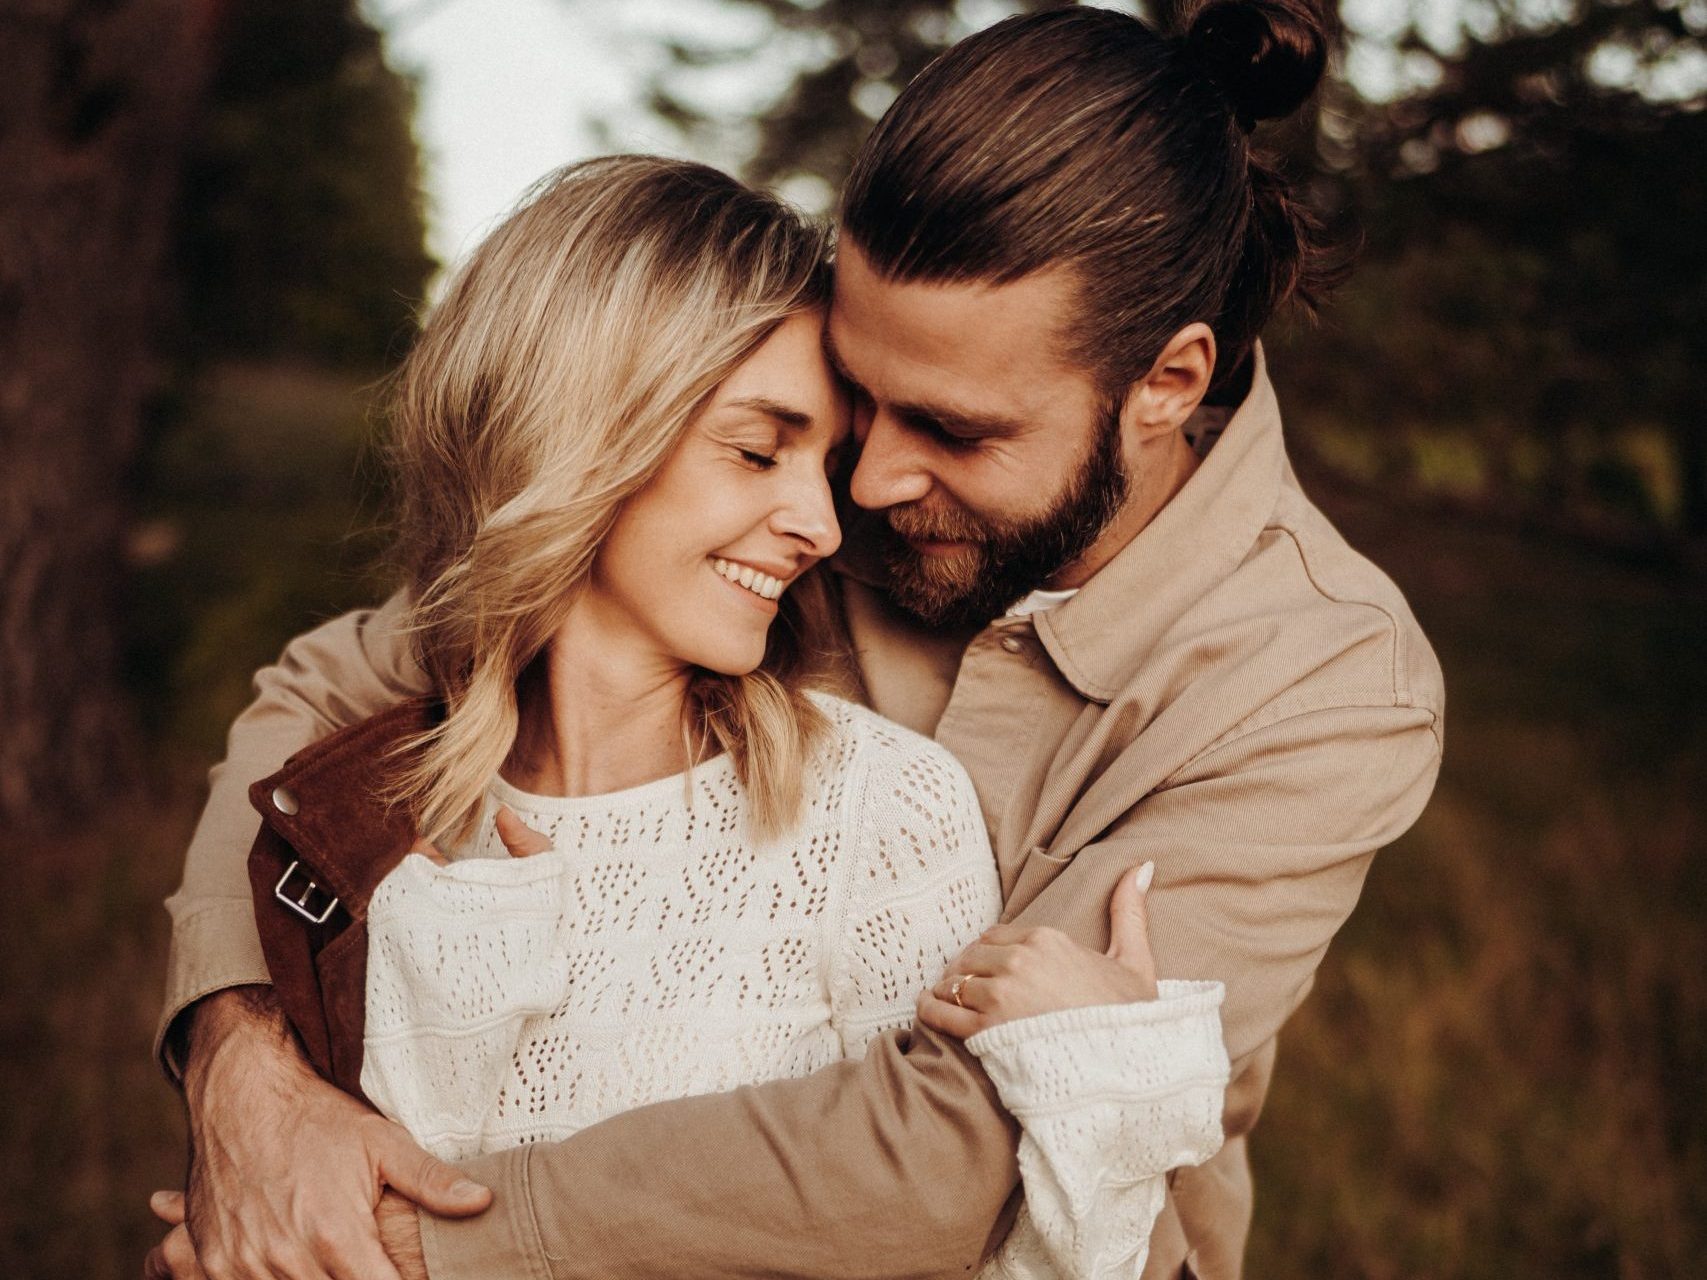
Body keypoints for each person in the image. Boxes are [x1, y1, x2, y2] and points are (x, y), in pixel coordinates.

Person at [150, 4, 1444, 1279]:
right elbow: (328, 687)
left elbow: (963, 1154)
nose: (863, 490)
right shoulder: (820, 502)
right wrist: (243, 1063)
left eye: (950, 428)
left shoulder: (1323, 686)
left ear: (1167, 384)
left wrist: (384, 1245)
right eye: (852, 403)